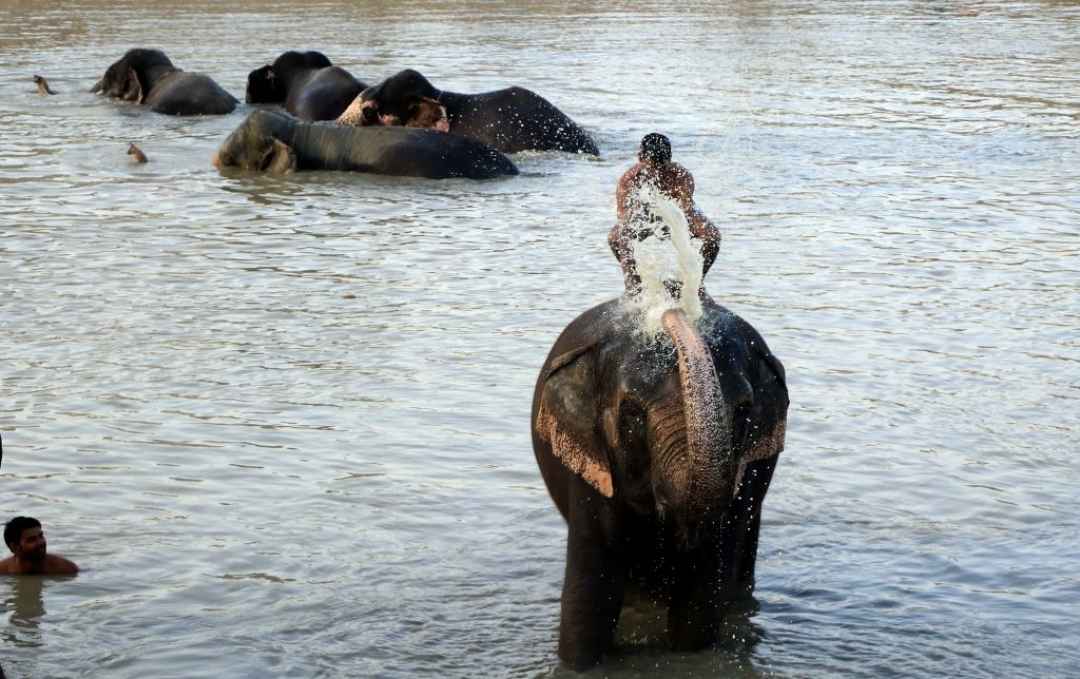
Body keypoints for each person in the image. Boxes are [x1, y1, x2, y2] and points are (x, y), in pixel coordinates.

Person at [608, 133, 721, 295]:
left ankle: (695, 282)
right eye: (652, 167)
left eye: (662, 167)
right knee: (615, 237)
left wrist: (671, 219)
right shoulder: (629, 180)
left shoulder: (681, 175)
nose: (657, 173)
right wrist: (642, 216)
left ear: (670, 159)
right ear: (640, 158)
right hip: (643, 216)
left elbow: (685, 209)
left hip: (677, 215)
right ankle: (633, 285)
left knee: (712, 237)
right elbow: (623, 216)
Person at [0, 517, 78, 575]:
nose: (41, 542)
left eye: (41, 536)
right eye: (31, 540)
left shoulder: (66, 569)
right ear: (14, 547)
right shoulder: (3, 571)